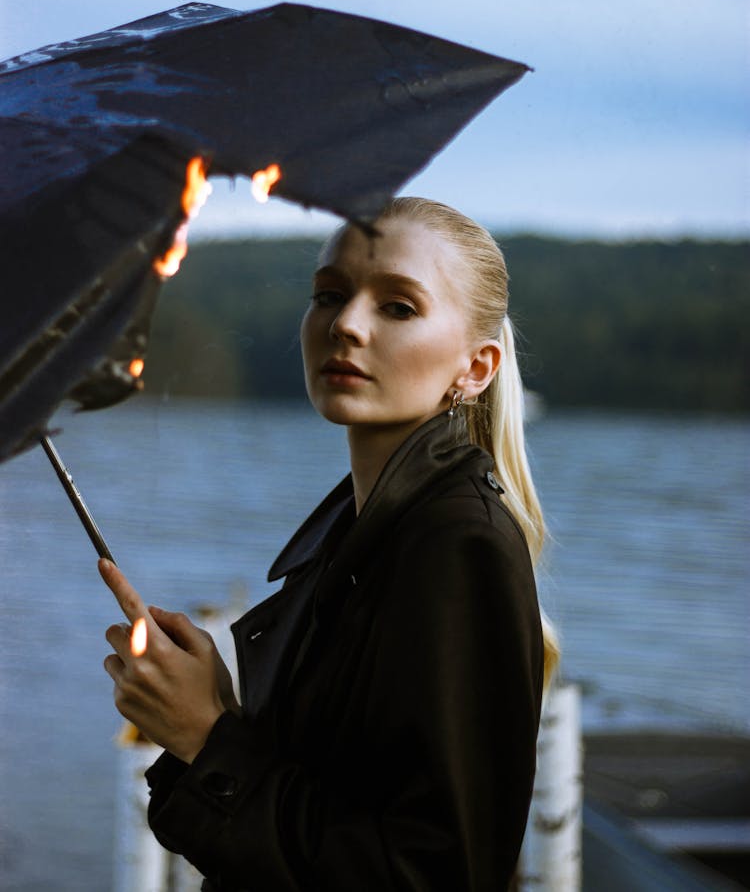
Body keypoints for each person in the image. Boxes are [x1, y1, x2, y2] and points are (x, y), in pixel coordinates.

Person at [100, 197, 558, 891]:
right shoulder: (362, 532)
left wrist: (208, 739)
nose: (346, 323)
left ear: (477, 366)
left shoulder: (457, 544)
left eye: (398, 307)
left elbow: (431, 874)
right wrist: (212, 710)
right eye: (328, 295)